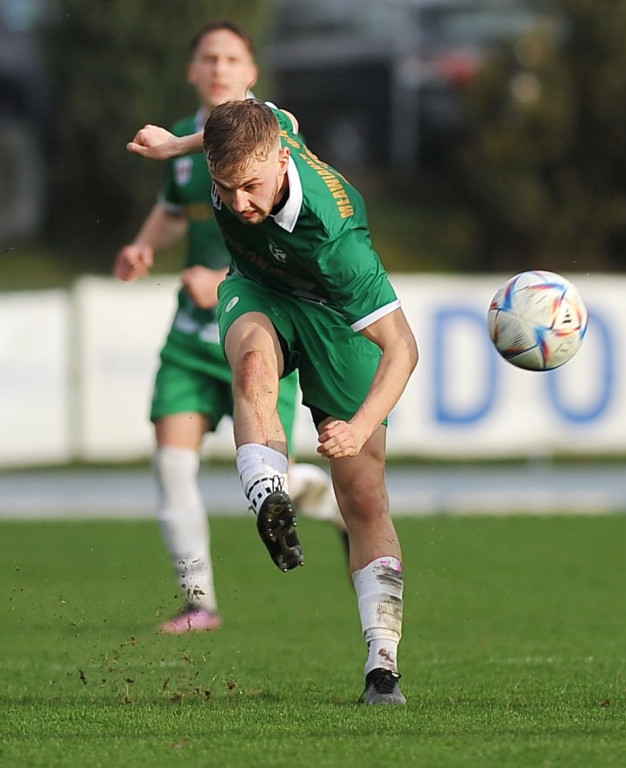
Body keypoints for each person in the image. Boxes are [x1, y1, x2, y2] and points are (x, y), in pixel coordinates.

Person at [126, 98, 419, 705]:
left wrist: (360, 426)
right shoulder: (257, 134)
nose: (237, 204)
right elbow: (229, 126)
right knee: (254, 362)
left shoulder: (338, 241)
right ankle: (270, 497)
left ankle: (382, 666)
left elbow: (403, 348)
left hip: (340, 320)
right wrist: (172, 147)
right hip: (259, 287)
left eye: (251, 187)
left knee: (363, 495)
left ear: (282, 161)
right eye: (223, 188)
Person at [114, 21, 345, 637]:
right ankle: (199, 602)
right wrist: (141, 247)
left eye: (231, 58)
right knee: (171, 465)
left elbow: (281, 230)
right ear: (192, 70)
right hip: (192, 338)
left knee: (274, 477)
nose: (218, 67)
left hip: (263, 331)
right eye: (208, 58)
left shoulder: (274, 133)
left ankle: (332, 506)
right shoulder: (189, 157)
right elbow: (172, 211)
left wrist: (220, 276)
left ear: (251, 75)